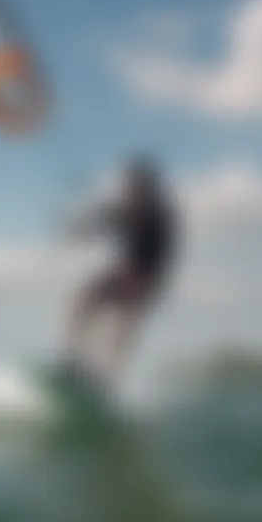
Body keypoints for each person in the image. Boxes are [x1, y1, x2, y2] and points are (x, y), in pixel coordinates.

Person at [62, 157, 178, 384]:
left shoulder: (158, 215)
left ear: (148, 188)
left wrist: (144, 282)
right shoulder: (127, 209)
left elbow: (161, 254)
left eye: (135, 187)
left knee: (123, 327)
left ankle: (108, 379)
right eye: (129, 187)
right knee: (85, 299)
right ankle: (71, 361)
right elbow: (102, 221)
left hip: (145, 279)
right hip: (127, 273)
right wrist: (77, 228)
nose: (130, 191)